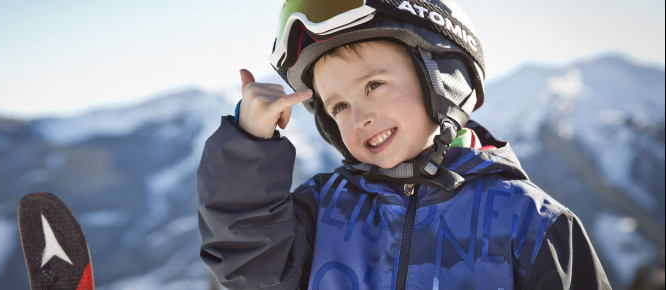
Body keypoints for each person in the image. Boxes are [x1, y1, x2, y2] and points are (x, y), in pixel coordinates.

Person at [197, 0, 610, 289]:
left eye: (374, 85)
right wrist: (249, 144)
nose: (359, 119)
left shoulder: (532, 223)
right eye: (338, 106)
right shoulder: (323, 209)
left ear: (443, 80)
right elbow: (248, 263)